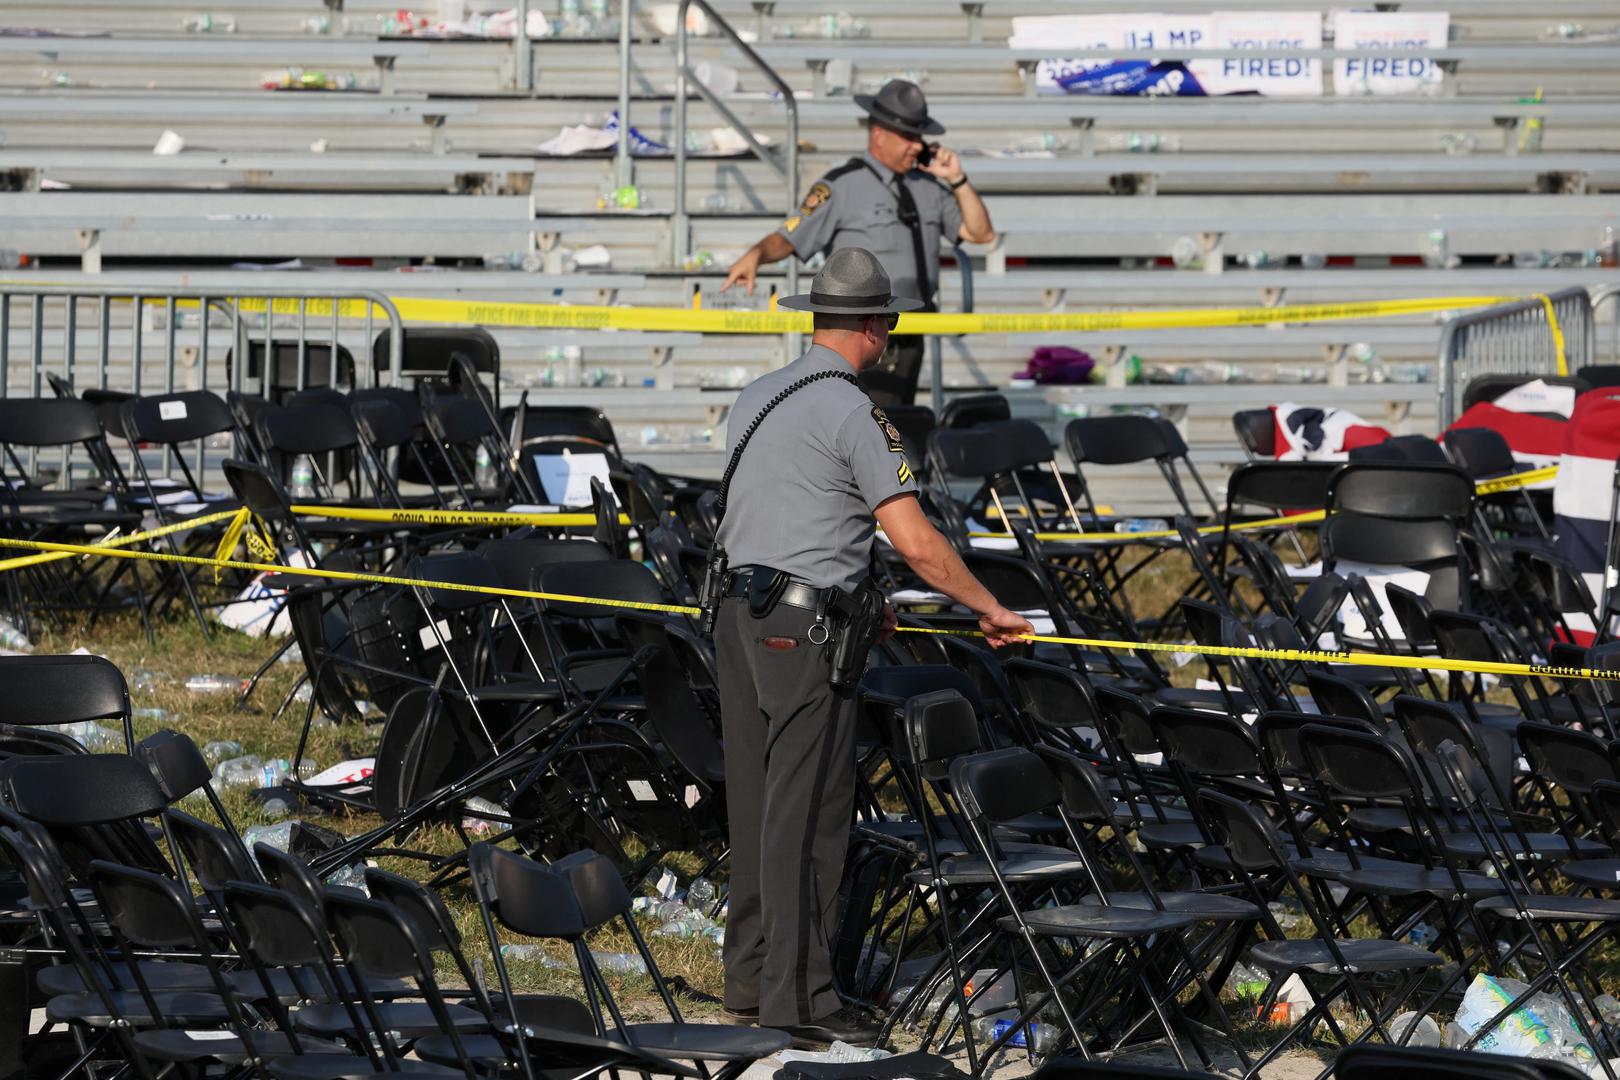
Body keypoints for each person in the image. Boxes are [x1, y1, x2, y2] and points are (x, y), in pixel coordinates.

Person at [711, 247, 1033, 1047]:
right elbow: (918, 543)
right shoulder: (856, 412)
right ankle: (802, 999)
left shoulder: (757, 396)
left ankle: (751, 979)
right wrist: (990, 605)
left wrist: (861, 596)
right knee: (809, 810)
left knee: (753, 804)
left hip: (736, 615)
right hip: (802, 631)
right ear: (878, 327)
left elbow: (791, 514)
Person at [720, 79, 995, 407]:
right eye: (908, 136)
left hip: (910, 330)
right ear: (879, 133)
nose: (916, 145)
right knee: (860, 428)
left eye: (919, 136)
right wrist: (757, 254)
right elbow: (791, 235)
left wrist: (957, 180)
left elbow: (981, 234)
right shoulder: (842, 185)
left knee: (895, 430)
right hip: (859, 332)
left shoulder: (929, 187)